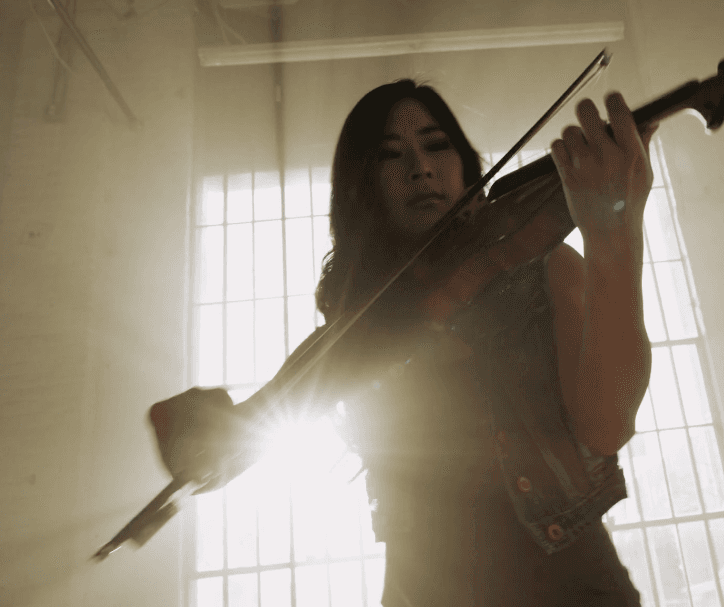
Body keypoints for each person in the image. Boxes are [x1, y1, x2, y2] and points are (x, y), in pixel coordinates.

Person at [154, 79, 657, 606]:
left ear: (464, 164)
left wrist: (613, 232)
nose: (420, 167)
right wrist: (193, 436)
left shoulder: (545, 266)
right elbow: (236, 442)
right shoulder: (360, 328)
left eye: (436, 146)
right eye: (391, 156)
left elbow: (608, 425)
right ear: (364, 188)